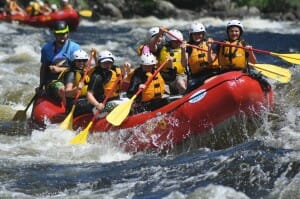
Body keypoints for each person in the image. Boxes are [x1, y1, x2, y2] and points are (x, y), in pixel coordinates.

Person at [36, 20, 80, 105]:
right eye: (58, 34)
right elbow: (43, 68)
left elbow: (79, 68)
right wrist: (41, 86)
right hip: (53, 81)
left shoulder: (75, 48)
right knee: (62, 89)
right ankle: (68, 108)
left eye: (63, 34)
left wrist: (59, 69)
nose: (61, 36)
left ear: (67, 33)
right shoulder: (46, 49)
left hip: (70, 79)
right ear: (55, 34)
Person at [87, 50, 125, 117]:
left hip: (115, 99)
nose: (107, 65)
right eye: (104, 63)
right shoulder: (97, 76)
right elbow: (89, 94)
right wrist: (97, 105)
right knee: (115, 106)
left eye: (109, 63)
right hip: (101, 104)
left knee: (131, 103)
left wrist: (126, 70)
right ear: (100, 64)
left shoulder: (114, 71)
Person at [186, 21, 219, 91]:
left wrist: (210, 47)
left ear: (203, 34)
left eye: (199, 34)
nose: (197, 36)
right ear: (191, 35)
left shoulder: (211, 43)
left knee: (206, 82)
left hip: (212, 72)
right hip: (197, 76)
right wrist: (183, 50)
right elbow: (184, 64)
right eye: (195, 34)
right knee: (190, 88)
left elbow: (211, 60)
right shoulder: (188, 47)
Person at [157, 29, 188, 95]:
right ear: (169, 42)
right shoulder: (161, 49)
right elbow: (152, 45)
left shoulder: (184, 48)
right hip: (165, 76)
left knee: (181, 83)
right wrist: (159, 33)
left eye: (179, 41)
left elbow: (184, 64)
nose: (178, 43)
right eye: (175, 42)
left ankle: (186, 97)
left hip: (180, 75)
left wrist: (183, 51)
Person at [64, 49, 94, 116]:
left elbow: (99, 68)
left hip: (86, 99)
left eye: (84, 60)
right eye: (79, 61)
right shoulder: (71, 73)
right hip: (74, 102)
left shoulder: (87, 71)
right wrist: (76, 88)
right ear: (74, 62)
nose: (81, 63)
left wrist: (95, 56)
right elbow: (67, 93)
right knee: (93, 105)